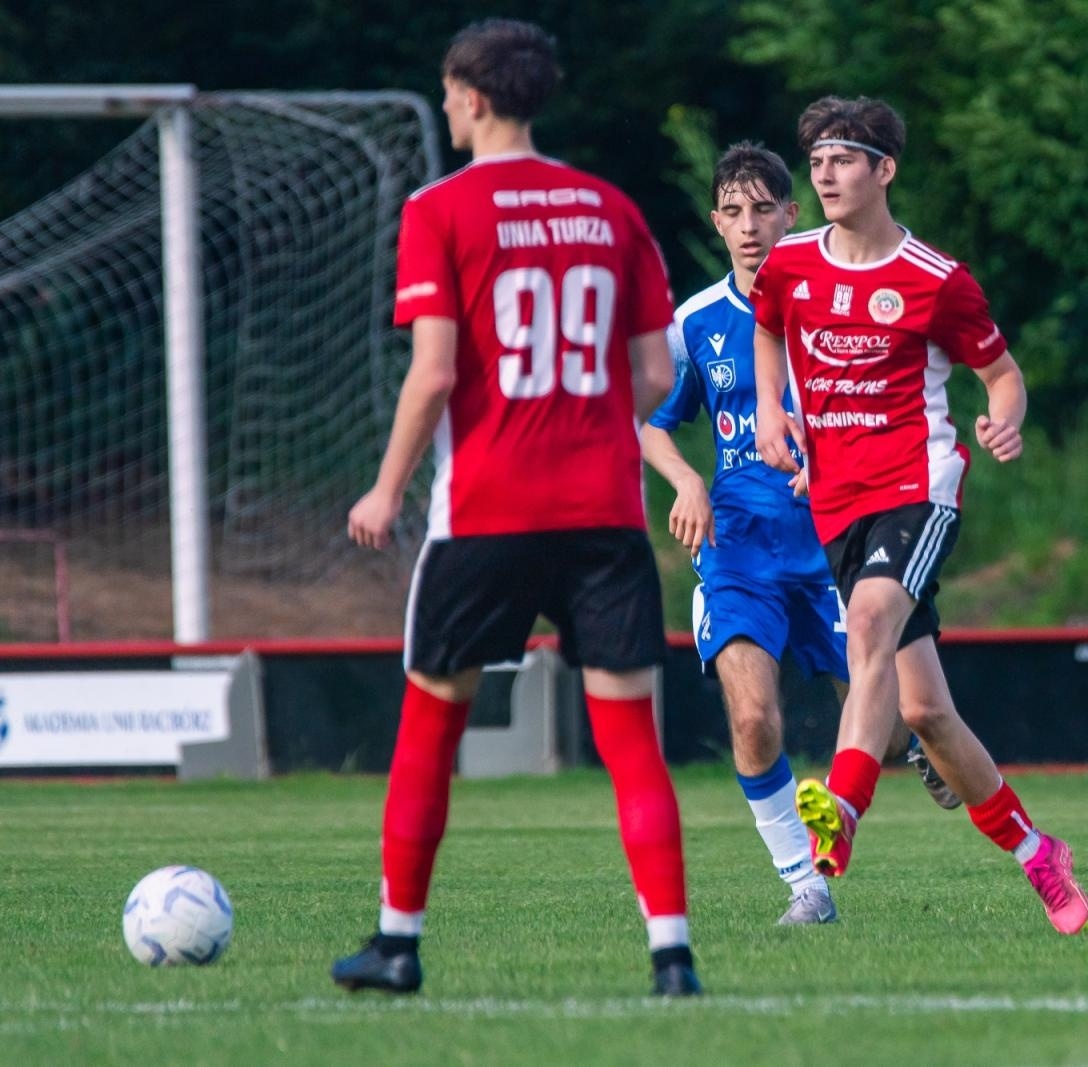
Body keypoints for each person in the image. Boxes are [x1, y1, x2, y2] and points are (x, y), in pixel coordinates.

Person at [333, 18, 701, 996]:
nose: (448, 105)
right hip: (603, 513)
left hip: (487, 511)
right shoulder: (612, 210)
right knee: (629, 737)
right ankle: (671, 955)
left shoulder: (439, 209)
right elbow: (656, 369)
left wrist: (384, 485)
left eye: (451, 91)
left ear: (476, 97)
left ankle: (397, 943)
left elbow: (434, 372)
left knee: (432, 721)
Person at [750, 96, 1088, 934]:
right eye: (817, 160)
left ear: (884, 170)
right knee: (926, 714)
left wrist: (1003, 415)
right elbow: (768, 330)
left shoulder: (937, 281)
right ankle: (1037, 852)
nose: (825, 173)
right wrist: (769, 411)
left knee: (867, 622)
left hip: (918, 485)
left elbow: (1001, 373)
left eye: (843, 158)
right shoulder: (791, 265)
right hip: (835, 502)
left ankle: (842, 816)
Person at [640, 142, 959, 927]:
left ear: (793, 214)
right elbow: (647, 420)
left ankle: (924, 743)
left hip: (837, 540)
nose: (749, 228)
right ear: (717, 221)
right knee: (753, 717)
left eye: (764, 210)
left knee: (890, 719)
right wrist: (685, 481)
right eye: (733, 212)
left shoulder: (835, 299)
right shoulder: (697, 323)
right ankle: (805, 885)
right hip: (740, 548)